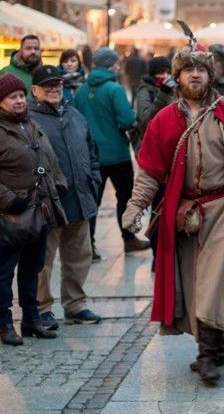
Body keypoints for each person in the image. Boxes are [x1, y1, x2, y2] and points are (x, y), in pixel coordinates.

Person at [122, 46, 224, 385]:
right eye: (188, 70)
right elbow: (150, 172)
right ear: (176, 77)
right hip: (185, 214)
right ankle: (216, 346)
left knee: (211, 283)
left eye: (202, 70)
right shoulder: (164, 119)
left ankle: (207, 355)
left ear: (211, 75)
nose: (195, 75)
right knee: (193, 287)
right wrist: (135, 206)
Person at [28, 65, 103, 330]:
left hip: (79, 198)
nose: (53, 89)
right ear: (34, 90)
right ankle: (42, 308)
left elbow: (92, 151)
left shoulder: (75, 115)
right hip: (47, 203)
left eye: (57, 84)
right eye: (47, 85)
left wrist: (94, 179)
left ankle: (75, 305)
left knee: (79, 256)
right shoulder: (28, 119)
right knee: (42, 262)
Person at [0, 73, 66, 345]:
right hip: (11, 215)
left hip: (40, 210)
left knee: (32, 267)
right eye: (11, 97)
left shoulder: (31, 123)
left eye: (20, 96)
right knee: (3, 273)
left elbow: (51, 158)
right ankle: (4, 324)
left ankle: (31, 319)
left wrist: (59, 183)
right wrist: (8, 199)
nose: (18, 101)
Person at [73, 47, 148, 260]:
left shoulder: (81, 90)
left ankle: (90, 245)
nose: (118, 65)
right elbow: (126, 120)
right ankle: (129, 239)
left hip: (90, 155)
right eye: (115, 62)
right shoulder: (114, 89)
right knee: (125, 198)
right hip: (116, 154)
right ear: (109, 64)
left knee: (92, 202)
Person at [132, 55, 176, 272]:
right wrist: (164, 94)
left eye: (167, 72)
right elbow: (148, 119)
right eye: (160, 73)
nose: (165, 76)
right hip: (154, 157)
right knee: (158, 207)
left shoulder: (175, 88)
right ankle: (157, 257)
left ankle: (173, 254)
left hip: (174, 155)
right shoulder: (145, 91)